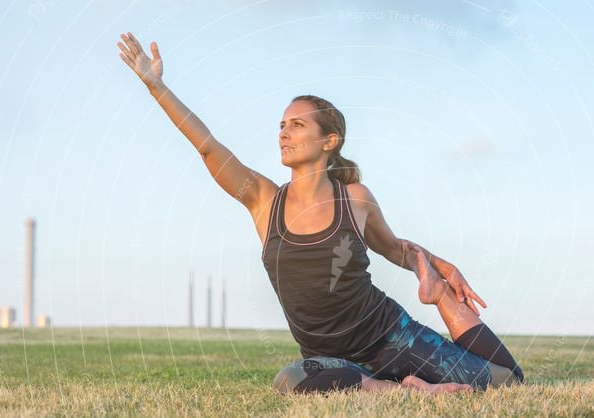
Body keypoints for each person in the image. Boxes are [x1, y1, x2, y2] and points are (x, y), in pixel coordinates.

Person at [118, 32, 524, 395]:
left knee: (507, 382)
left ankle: (431, 312)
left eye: (296, 125)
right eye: (281, 125)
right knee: (292, 379)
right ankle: (401, 391)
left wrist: (439, 269)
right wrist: (156, 86)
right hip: (334, 363)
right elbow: (207, 146)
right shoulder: (263, 200)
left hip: (392, 337)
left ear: (330, 140)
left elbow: (393, 248)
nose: (283, 133)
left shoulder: (355, 199)